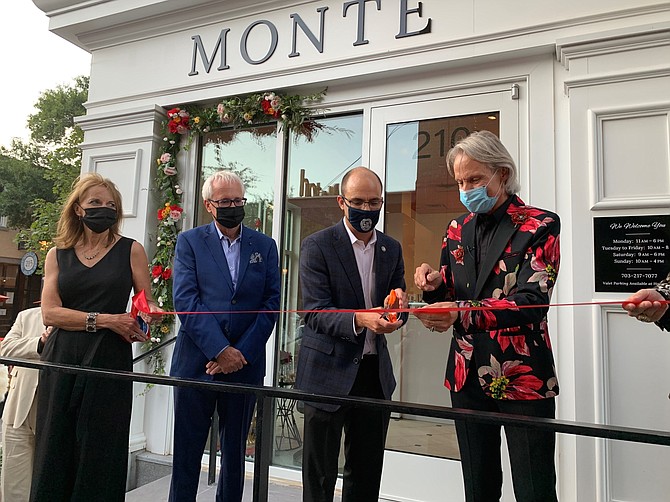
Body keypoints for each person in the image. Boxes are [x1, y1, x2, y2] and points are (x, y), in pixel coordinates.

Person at [414, 130, 561, 502]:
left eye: (475, 179)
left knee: (534, 487)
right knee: (478, 486)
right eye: (461, 181)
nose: (466, 188)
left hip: (522, 373)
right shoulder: (455, 229)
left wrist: (457, 311)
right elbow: (450, 291)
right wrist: (431, 285)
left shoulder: (540, 225)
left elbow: (531, 301)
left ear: (503, 174)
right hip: (465, 373)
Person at [30, 173, 158, 502]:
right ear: (78, 209)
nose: (105, 209)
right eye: (96, 203)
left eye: (111, 205)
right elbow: (50, 313)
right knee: (54, 447)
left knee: (101, 449)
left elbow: (145, 306)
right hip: (61, 360)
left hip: (109, 361)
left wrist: (146, 320)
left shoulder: (132, 251)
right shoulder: (57, 255)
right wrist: (104, 320)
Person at [295, 166, 408, 502]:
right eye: (359, 201)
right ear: (341, 202)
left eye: (374, 202)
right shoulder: (317, 245)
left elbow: (395, 299)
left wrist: (398, 306)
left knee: (366, 474)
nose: (367, 209)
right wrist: (360, 319)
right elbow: (313, 312)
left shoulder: (391, 248)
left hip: (373, 376)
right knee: (320, 476)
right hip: (325, 375)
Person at [169, 170, 280, 502]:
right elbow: (186, 301)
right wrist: (219, 350)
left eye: (238, 200)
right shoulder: (189, 242)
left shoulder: (265, 245)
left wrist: (238, 354)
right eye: (225, 201)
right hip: (196, 365)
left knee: (235, 457)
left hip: (244, 368)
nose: (233, 207)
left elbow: (271, 303)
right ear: (208, 204)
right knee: (186, 454)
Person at [1, 307, 49, 502]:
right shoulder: (27, 316)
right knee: (14, 481)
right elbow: (6, 349)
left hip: (52, 413)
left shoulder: (76, 320)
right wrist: (39, 343)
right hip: (17, 411)